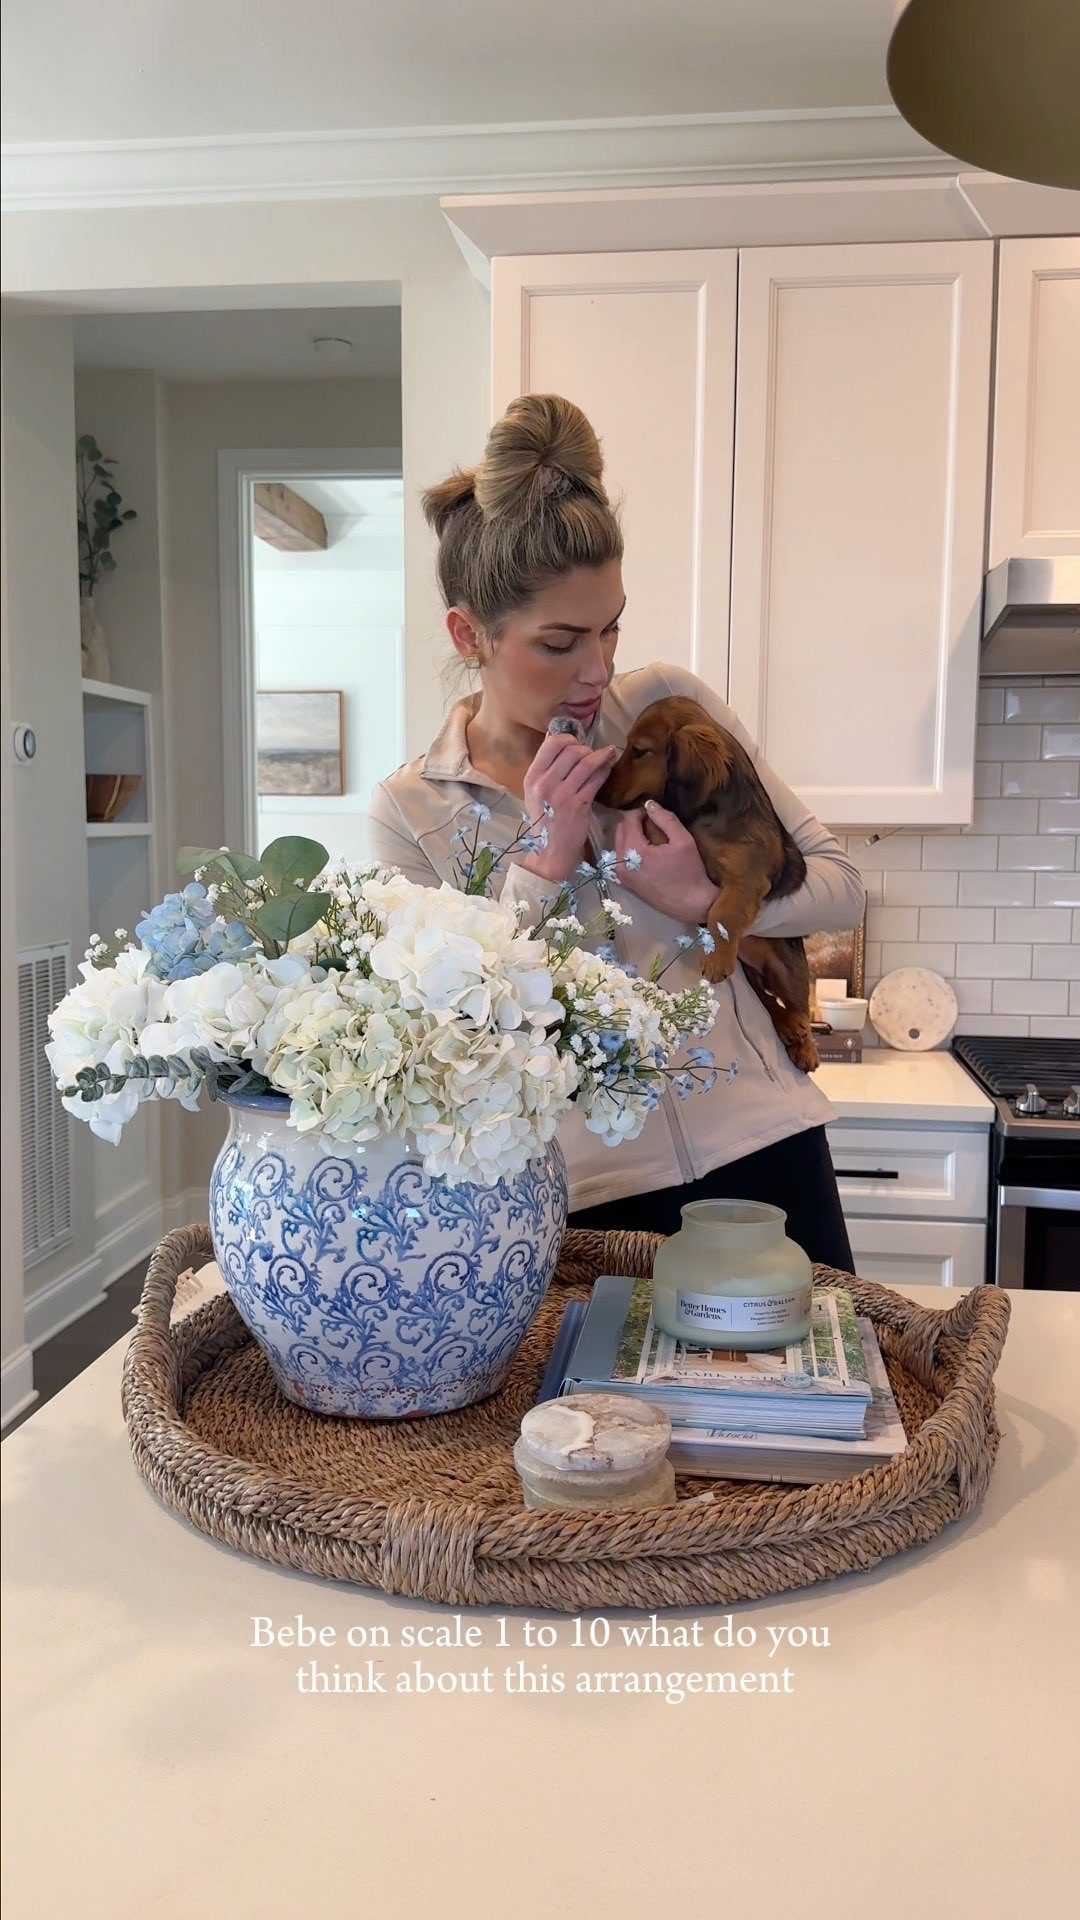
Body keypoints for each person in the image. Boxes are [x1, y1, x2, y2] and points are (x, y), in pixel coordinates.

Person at [367, 395, 864, 1270]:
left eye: (611, 628)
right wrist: (542, 872)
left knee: (833, 1404)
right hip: (581, 1194)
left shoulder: (668, 715)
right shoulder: (412, 813)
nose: (598, 670)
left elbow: (838, 887)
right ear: (469, 634)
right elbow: (440, 1043)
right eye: (560, 642)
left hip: (768, 1151)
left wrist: (701, 898)